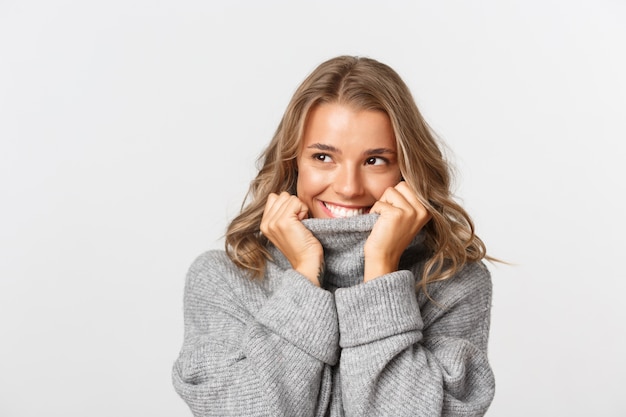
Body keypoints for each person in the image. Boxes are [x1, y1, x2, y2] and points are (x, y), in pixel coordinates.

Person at [172, 55, 496, 416]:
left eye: (375, 161)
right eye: (324, 157)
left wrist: (381, 271)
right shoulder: (223, 280)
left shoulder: (453, 281)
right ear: (293, 162)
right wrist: (305, 276)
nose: (348, 187)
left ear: (406, 169)